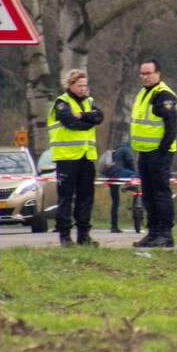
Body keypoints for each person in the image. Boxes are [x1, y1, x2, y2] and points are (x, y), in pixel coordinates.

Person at [47, 69, 104, 247]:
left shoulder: (89, 101)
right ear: (70, 85)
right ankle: (65, 235)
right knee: (66, 198)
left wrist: (83, 116)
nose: (83, 89)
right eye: (79, 85)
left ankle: (84, 235)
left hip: (86, 157)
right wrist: (89, 121)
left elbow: (99, 117)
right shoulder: (62, 103)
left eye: (85, 85)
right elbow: (70, 122)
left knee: (86, 197)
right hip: (67, 158)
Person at [130, 58, 177, 248]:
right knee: (148, 194)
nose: (145, 77)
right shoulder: (143, 93)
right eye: (142, 74)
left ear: (158, 74)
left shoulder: (163, 95)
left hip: (159, 152)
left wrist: (162, 149)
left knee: (160, 193)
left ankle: (165, 234)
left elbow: (171, 126)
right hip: (144, 152)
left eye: (148, 73)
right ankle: (153, 233)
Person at [102, 141, 138, 233]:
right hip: (119, 173)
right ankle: (130, 185)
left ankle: (114, 226)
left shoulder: (113, 152)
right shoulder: (125, 149)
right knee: (137, 176)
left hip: (110, 177)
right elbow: (130, 161)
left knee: (115, 203)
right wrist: (133, 173)